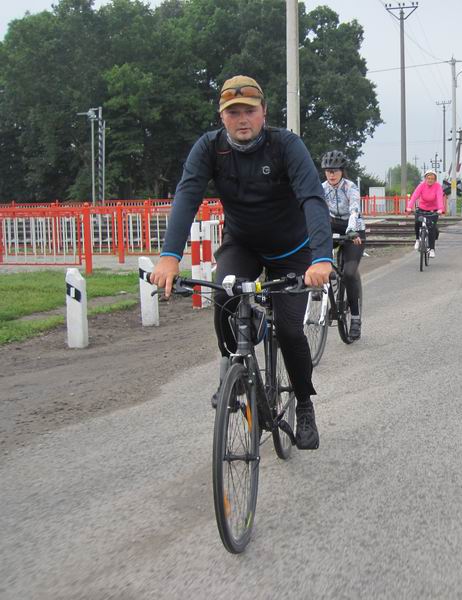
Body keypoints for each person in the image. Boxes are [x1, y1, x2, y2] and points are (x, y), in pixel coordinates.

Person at [149, 75, 333, 450]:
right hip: (243, 244)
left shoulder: (286, 146)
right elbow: (187, 197)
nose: (242, 118)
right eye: (233, 112)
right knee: (224, 297)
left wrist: (322, 258)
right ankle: (234, 371)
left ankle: (304, 404)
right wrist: (169, 257)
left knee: (291, 330)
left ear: (264, 112)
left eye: (249, 110)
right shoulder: (209, 148)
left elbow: (313, 199)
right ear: (222, 116)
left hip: (291, 253)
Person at [320, 149, 365, 340]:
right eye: (328, 171)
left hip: (353, 229)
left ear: (342, 171)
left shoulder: (350, 187)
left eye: (335, 170)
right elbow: (316, 211)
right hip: (332, 225)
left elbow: (355, 209)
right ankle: (319, 289)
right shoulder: (321, 188)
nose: (331, 174)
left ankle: (355, 317)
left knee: (348, 273)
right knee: (315, 253)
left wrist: (351, 231)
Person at [406, 169, 446, 257]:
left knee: (432, 229)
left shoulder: (438, 186)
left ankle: (431, 249)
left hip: (433, 210)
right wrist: (409, 207)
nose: (430, 180)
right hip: (422, 208)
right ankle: (417, 240)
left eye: (432, 178)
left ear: (435, 179)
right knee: (417, 222)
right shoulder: (421, 186)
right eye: (428, 178)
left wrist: (440, 209)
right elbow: (414, 196)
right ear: (425, 178)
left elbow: (439, 198)